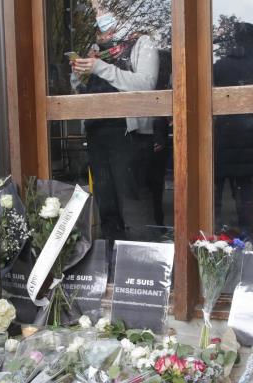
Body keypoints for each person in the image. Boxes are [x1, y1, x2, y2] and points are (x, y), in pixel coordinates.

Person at [71, 5, 159, 240]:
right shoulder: (93, 50)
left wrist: (100, 67)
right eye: (96, 14)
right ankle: (111, 255)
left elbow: (146, 85)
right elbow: (80, 93)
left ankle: (139, 260)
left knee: (131, 204)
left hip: (128, 134)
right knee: (106, 202)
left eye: (103, 11)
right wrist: (78, 77)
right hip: (96, 130)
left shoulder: (142, 43)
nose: (99, 17)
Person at [213, 22, 253, 234]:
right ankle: (248, 234)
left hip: (222, 136)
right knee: (245, 191)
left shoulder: (219, 66)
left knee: (216, 189)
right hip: (248, 136)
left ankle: (214, 232)